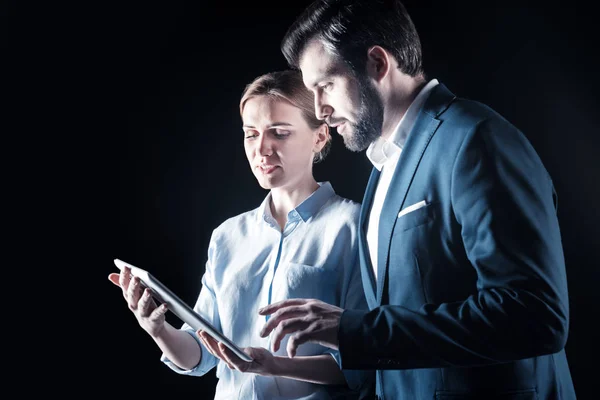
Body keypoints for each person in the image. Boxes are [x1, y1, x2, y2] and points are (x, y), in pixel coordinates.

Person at [257, 1, 577, 399]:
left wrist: (351, 329)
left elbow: (535, 316)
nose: (321, 110)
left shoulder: (476, 140)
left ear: (377, 63)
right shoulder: (382, 171)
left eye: (326, 86)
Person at [108, 69, 373, 399]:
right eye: (251, 134)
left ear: (320, 136)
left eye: (279, 133)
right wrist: (156, 328)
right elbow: (199, 354)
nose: (262, 149)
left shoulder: (354, 227)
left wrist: (271, 365)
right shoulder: (227, 236)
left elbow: (365, 362)